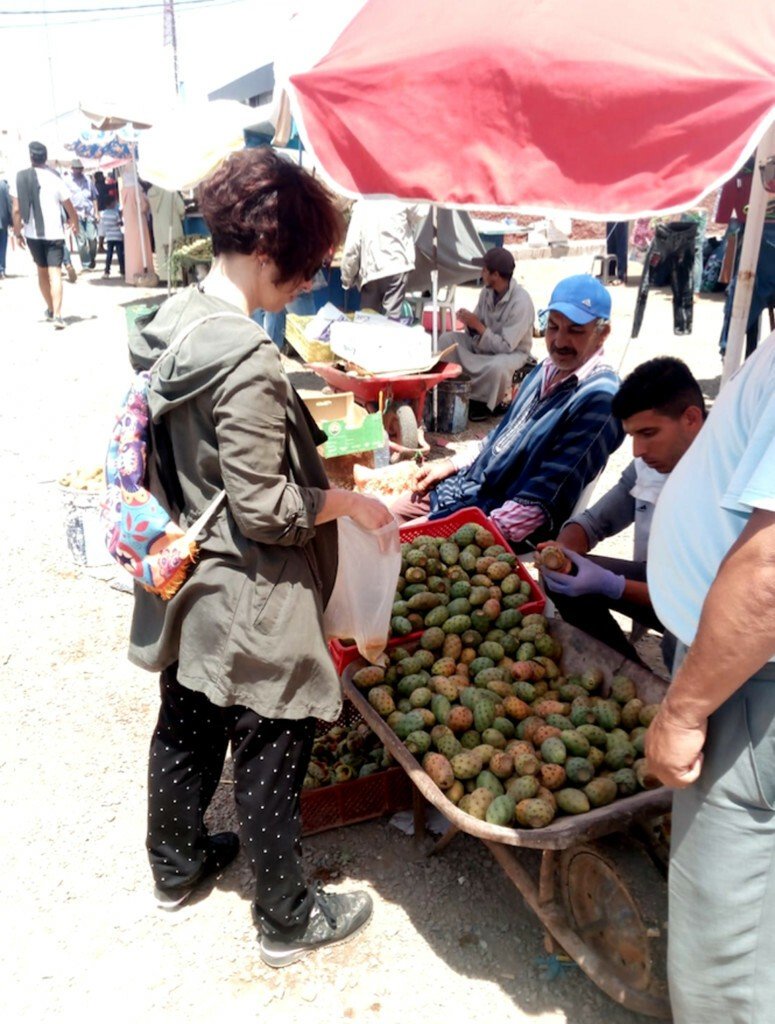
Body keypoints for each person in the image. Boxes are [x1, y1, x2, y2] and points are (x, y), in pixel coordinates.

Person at [128, 148, 393, 968]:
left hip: (188, 571)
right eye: (305, 266)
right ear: (270, 251)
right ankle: (286, 916)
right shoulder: (243, 356)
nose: (308, 284)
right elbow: (269, 509)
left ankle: (175, 868)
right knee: (276, 735)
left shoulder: (174, 321)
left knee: (189, 717)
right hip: (248, 579)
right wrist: (347, 501)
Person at [645, 331, 775, 1024]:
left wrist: (683, 711)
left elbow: (770, 573)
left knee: (724, 957)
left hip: (752, 686)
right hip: (747, 674)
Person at [390, 274, 625, 548]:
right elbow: (500, 437)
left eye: (575, 331)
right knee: (384, 519)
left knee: (392, 545)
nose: (560, 341)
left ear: (602, 334)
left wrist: (457, 533)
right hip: (468, 491)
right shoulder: (545, 370)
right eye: (553, 327)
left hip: (497, 520)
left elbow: (541, 500)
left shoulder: (600, 400)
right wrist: (450, 465)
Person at [538, 357, 705, 665]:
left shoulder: (725, 482)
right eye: (633, 436)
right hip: (659, 585)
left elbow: (700, 599)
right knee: (562, 577)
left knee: (683, 643)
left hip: (705, 608)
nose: (637, 451)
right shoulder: (647, 468)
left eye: (649, 433)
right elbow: (592, 523)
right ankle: (632, 677)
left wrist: (612, 585)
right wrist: (561, 555)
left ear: (691, 419)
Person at [441, 246, 535, 420]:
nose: (481, 274)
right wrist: (469, 321)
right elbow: (477, 324)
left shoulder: (521, 302)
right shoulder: (486, 292)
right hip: (482, 347)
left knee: (497, 367)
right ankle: (448, 387)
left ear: (496, 275)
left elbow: (506, 346)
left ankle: (482, 404)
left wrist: (478, 327)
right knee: (447, 340)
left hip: (511, 353)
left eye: (484, 270)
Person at [11, 140, 79, 329]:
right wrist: (75, 222)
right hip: (54, 233)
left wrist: (17, 234)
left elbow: (16, 210)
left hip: (33, 233)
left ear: (31, 157)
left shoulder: (20, 178)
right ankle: (57, 315)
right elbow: (69, 205)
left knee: (41, 271)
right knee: (55, 272)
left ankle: (50, 309)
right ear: (45, 158)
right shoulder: (55, 179)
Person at [340, 199, 422, 317]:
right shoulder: (398, 197)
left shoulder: (362, 205)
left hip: (372, 270)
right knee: (391, 321)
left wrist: (347, 278)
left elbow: (352, 248)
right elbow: (420, 212)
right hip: (398, 265)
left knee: (368, 320)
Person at [67, 158, 98, 269]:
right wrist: (68, 217)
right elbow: (65, 201)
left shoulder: (88, 181)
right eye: (77, 169)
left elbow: (94, 197)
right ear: (72, 169)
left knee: (92, 238)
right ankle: (86, 263)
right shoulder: (68, 182)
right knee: (81, 241)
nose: (79, 171)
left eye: (81, 169)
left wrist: (97, 213)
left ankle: (92, 257)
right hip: (76, 215)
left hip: (89, 213)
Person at [100, 196, 124, 278]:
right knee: (120, 254)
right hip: (118, 236)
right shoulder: (115, 213)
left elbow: (103, 225)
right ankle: (122, 271)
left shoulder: (103, 214)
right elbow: (120, 223)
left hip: (109, 237)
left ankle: (107, 271)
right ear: (111, 204)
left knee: (109, 254)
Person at [0, 171, 11, 278]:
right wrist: (12, 221)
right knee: (2, 246)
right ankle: (1, 269)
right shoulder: (3, 185)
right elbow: (9, 204)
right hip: (2, 222)